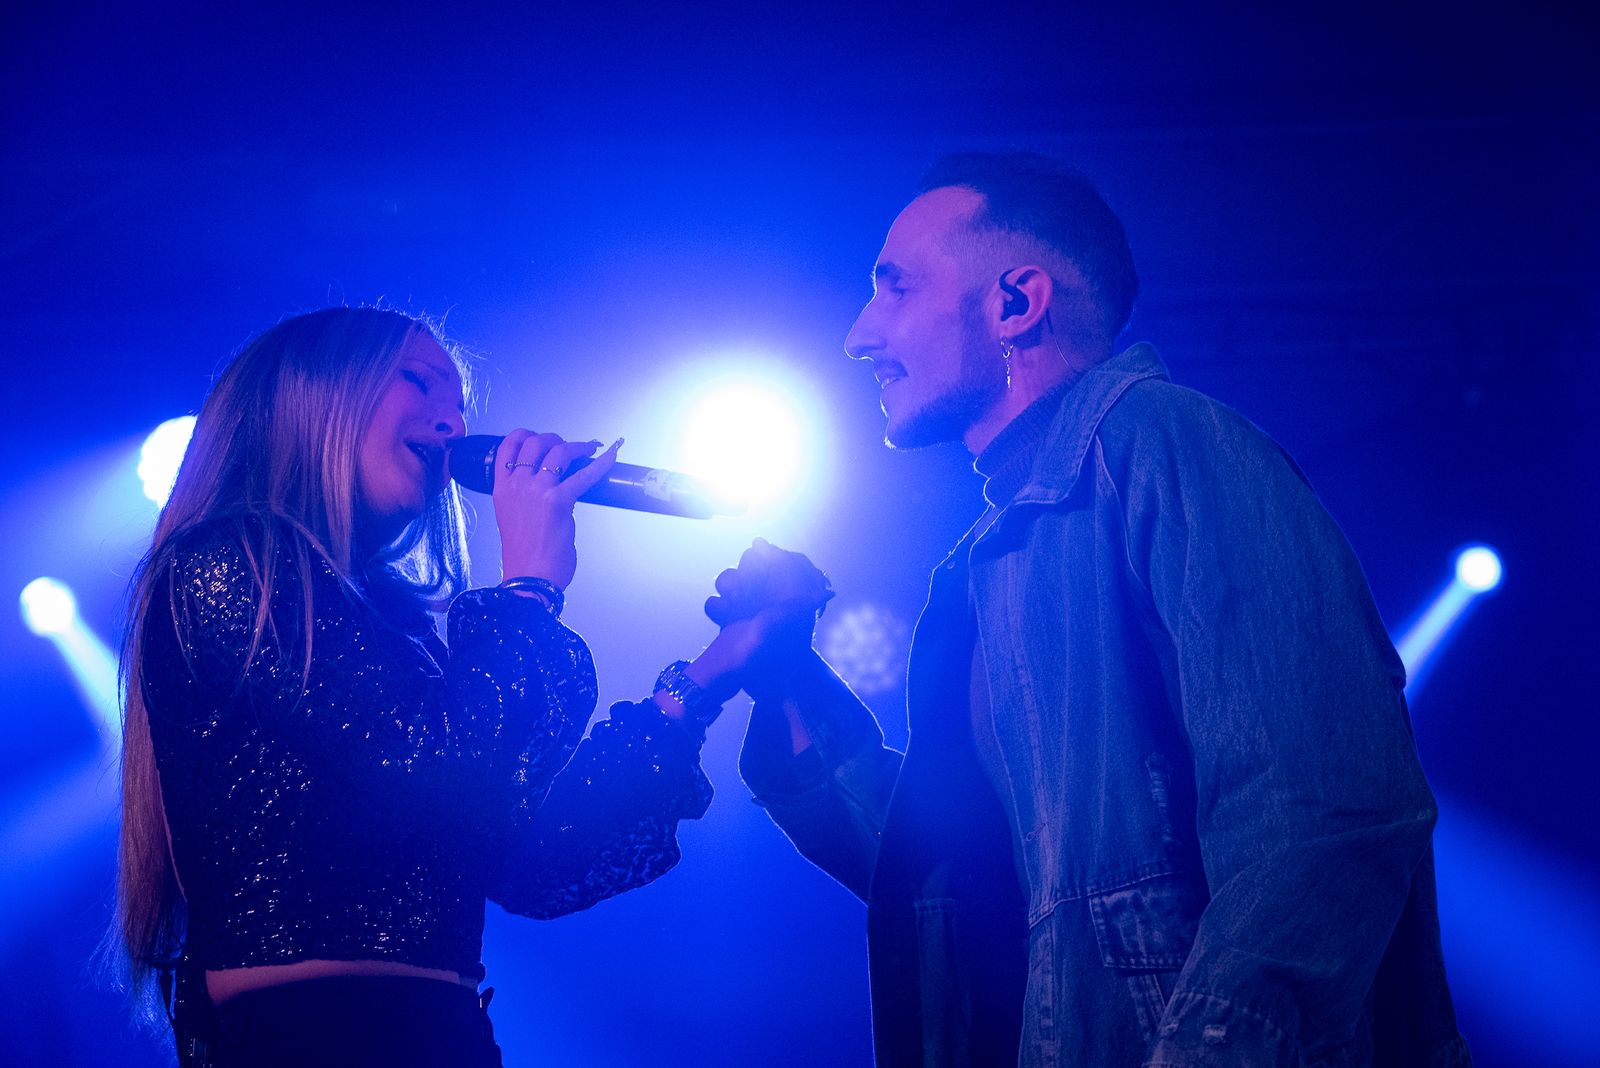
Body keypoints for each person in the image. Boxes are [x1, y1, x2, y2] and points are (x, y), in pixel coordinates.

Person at [714, 154, 1471, 1066]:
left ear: (1015, 304)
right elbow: (956, 886)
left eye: (896, 286)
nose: (859, 334)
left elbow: (1325, 809)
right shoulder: (988, 561)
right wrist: (787, 681)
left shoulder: (1170, 444)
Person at [113, 307, 760, 1066]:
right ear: (311, 398)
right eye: (417, 383)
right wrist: (528, 587)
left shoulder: (396, 630)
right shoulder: (230, 562)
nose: (450, 420)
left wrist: (715, 670)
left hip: (439, 1031)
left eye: (457, 401)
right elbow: (435, 768)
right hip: (307, 1038)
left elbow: (528, 860)